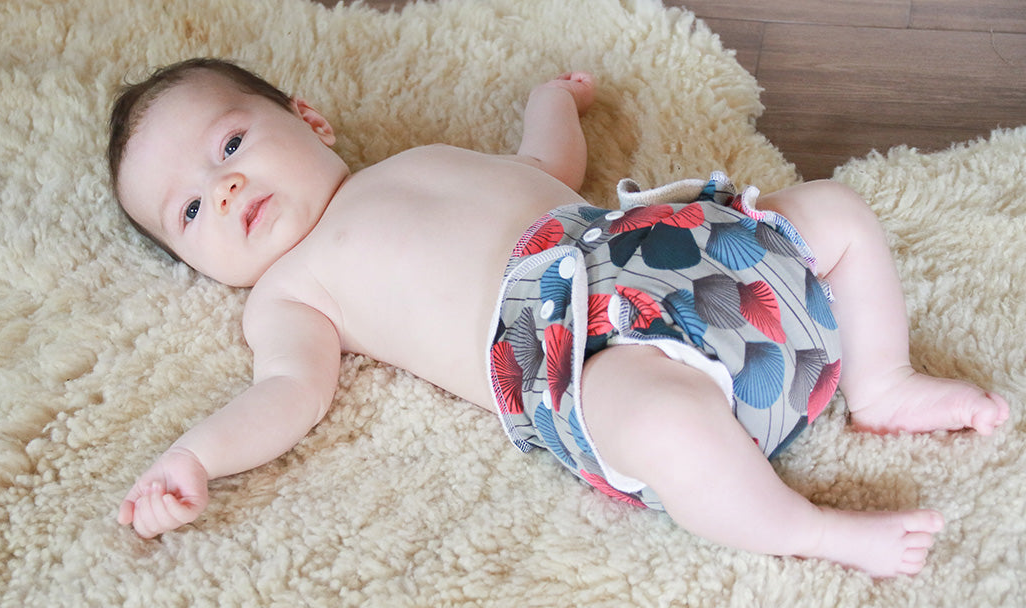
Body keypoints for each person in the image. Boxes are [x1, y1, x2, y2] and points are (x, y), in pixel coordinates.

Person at [108, 58, 1009, 577]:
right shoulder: (290, 290)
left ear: (312, 119)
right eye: (189, 212)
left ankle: (882, 382)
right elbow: (287, 391)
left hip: (665, 253)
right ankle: (806, 530)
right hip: (577, 347)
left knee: (837, 213)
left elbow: (546, 164)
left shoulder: (413, 157)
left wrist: (553, 99)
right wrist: (197, 456)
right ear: (198, 264)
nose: (223, 190)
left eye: (229, 145)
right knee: (659, 421)